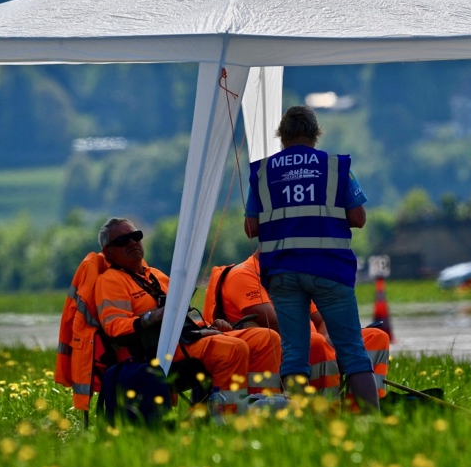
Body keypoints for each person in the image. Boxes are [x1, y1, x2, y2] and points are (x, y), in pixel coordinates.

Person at [244, 105, 379, 411]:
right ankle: (373, 422)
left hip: (282, 272)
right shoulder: (336, 167)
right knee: (353, 352)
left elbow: (250, 227)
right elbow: (359, 218)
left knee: (293, 352)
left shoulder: (263, 172)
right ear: (316, 133)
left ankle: (300, 423)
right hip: (330, 270)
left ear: (282, 135)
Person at [94, 218, 282, 411]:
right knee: (234, 348)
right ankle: (228, 418)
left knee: (266, 338)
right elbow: (114, 328)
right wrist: (153, 317)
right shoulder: (110, 281)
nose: (132, 242)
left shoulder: (157, 276)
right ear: (108, 251)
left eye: (136, 236)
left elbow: (182, 320)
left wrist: (209, 327)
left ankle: (262, 407)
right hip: (155, 353)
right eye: (122, 240)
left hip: (186, 340)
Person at [202, 250, 389, 403]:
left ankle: (365, 413)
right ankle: (323, 416)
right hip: (276, 351)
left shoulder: (294, 272)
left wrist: (328, 340)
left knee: (376, 337)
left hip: (310, 343)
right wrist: (321, 342)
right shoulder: (243, 274)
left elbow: (322, 319)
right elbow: (277, 322)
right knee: (314, 342)